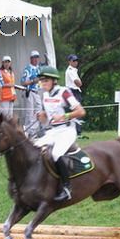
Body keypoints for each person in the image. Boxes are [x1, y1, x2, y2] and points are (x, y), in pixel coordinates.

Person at [34, 66, 86, 202]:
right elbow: (48, 119)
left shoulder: (64, 92)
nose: (43, 83)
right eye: (41, 80)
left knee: (56, 154)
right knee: (34, 148)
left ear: (53, 81)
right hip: (54, 131)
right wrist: (42, 115)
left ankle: (67, 188)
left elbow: (81, 112)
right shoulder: (45, 95)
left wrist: (64, 116)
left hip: (67, 130)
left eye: (45, 80)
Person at [21, 50, 42, 136]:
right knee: (29, 113)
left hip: (37, 92)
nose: (36, 59)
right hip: (30, 92)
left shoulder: (39, 68)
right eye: (34, 58)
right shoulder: (28, 69)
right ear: (31, 59)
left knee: (39, 111)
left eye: (37, 57)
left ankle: (32, 131)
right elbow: (23, 82)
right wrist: (33, 81)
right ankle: (27, 131)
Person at [65, 54, 84, 136]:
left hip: (74, 91)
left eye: (76, 60)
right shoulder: (70, 70)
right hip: (73, 91)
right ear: (69, 62)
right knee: (77, 111)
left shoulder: (74, 70)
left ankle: (75, 130)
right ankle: (77, 131)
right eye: (73, 61)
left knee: (75, 111)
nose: (76, 62)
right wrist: (80, 83)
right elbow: (78, 83)